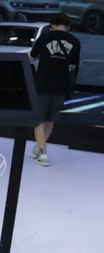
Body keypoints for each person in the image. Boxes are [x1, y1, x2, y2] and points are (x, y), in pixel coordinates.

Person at [29, 13, 80, 167]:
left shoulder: (44, 38)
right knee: (50, 119)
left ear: (52, 25)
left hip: (43, 84)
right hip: (62, 86)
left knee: (39, 120)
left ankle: (43, 154)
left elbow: (32, 56)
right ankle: (41, 146)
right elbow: (74, 65)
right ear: (68, 26)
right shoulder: (75, 42)